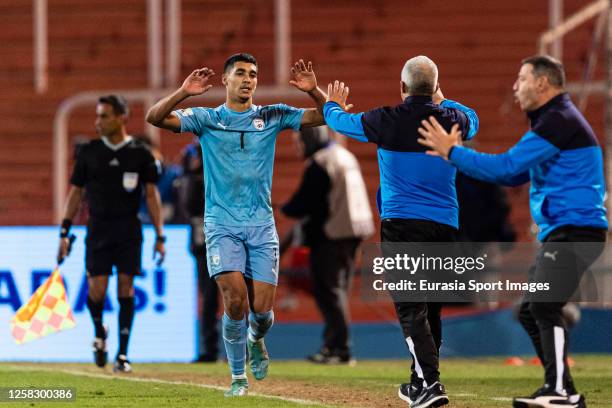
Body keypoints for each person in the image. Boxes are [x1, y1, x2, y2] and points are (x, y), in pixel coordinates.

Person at [417, 55, 607, 408]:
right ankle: (558, 386)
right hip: (565, 230)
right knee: (531, 309)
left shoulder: (558, 121)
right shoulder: (553, 121)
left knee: (545, 307)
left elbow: (507, 168)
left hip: (575, 229)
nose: (515, 87)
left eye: (521, 79)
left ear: (542, 83)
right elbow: (516, 173)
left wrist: (453, 152)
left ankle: (563, 392)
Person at [145, 53, 328, 396]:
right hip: (221, 224)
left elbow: (325, 116)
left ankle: (256, 339)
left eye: (253, 74)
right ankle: (237, 378)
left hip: (261, 224)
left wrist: (315, 90)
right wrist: (183, 91)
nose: (248, 79)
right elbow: (154, 117)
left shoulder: (272, 115)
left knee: (262, 312)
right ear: (226, 80)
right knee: (234, 300)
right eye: (241, 73)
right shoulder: (206, 119)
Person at [323, 56, 479, 408]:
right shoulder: (453, 119)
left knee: (411, 308)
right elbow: (475, 119)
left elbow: (337, 121)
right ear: (435, 87)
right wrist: (444, 99)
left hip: (403, 225)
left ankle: (430, 385)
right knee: (430, 309)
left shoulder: (385, 120)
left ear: (402, 87)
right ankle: (418, 381)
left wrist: (330, 102)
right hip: (444, 226)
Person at [57, 95, 166, 373]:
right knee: (97, 289)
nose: (98, 122)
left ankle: (123, 355)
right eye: (97, 116)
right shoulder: (89, 153)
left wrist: (160, 235)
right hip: (98, 228)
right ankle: (99, 332)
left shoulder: (140, 154)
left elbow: (151, 196)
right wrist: (65, 231)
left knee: (126, 287)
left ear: (121, 118)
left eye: (104, 116)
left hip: (129, 228)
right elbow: (76, 194)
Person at [281, 126, 374, 364]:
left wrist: (284, 208)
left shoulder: (320, 163)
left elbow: (306, 203)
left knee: (329, 291)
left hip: (333, 233)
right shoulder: (344, 155)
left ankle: (339, 348)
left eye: (299, 141)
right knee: (337, 290)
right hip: (353, 230)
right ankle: (335, 345)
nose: (297, 147)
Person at [180, 141, 220, 362]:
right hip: (204, 244)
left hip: (221, 241)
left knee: (232, 296)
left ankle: (241, 348)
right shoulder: (192, 180)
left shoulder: (209, 178)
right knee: (210, 299)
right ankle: (211, 348)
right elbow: (191, 207)